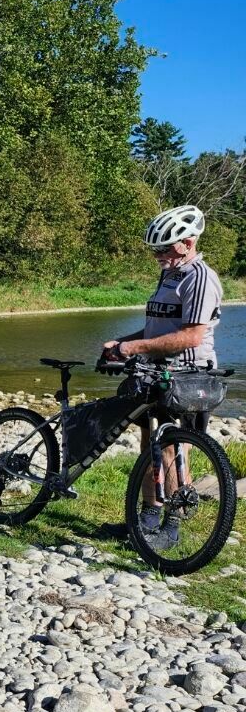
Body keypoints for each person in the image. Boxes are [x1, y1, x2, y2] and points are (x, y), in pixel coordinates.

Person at [101, 204, 225, 549]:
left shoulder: (200, 278)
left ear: (188, 242)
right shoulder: (170, 274)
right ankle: (147, 519)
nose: (157, 255)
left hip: (188, 375)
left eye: (164, 248)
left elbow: (191, 336)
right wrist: (123, 343)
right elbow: (157, 329)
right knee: (150, 444)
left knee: (172, 449)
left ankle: (171, 528)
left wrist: (134, 348)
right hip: (156, 371)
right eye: (154, 249)